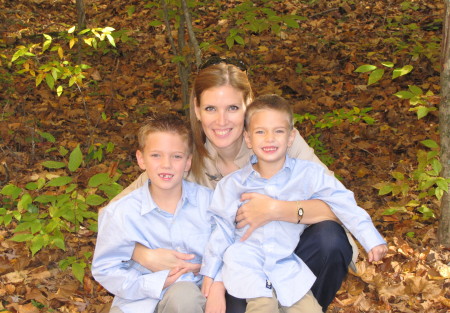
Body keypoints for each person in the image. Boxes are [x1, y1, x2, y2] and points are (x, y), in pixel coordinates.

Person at [115, 56, 360, 312]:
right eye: (211, 109)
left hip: (286, 254)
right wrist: (144, 255)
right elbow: (113, 215)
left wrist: (276, 209)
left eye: (232, 108)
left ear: (248, 107)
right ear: (197, 110)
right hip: (227, 271)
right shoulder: (183, 156)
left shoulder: (279, 142)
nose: (221, 121)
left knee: (329, 240)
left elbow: (341, 205)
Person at [200, 94, 388, 313]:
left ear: (291, 137)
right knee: (264, 307)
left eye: (278, 131)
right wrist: (210, 276)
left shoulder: (308, 174)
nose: (269, 138)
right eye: (260, 132)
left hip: (285, 265)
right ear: (248, 139)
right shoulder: (232, 185)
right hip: (246, 267)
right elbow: (220, 230)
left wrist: (371, 238)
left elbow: (343, 202)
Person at [92, 114, 224, 313]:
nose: (166, 164)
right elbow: (106, 269)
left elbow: (227, 248)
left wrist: (211, 278)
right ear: (141, 159)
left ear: (188, 162)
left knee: (185, 296)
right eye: (156, 155)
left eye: (176, 156)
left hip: (189, 300)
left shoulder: (209, 204)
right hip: (136, 300)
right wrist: (155, 282)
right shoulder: (122, 212)